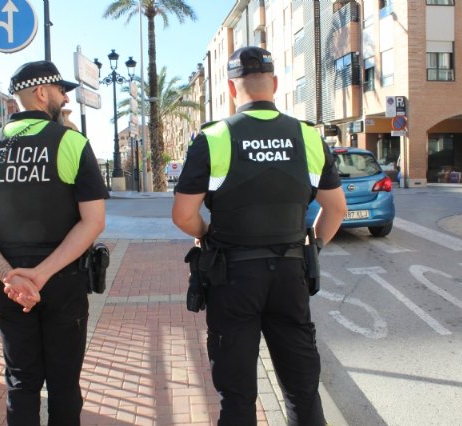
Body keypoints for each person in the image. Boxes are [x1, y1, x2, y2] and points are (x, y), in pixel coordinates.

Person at [172, 46, 347, 425]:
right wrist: (311, 247)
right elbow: (336, 210)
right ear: (276, 85)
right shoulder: (307, 136)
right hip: (290, 274)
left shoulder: (214, 137)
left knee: (237, 397)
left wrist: (207, 236)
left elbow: (184, 216)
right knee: (302, 390)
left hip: (232, 278)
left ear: (233, 89)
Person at [0, 60, 109, 425]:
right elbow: (94, 222)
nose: (63, 98)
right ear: (42, 92)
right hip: (64, 281)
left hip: (8, 287)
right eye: (61, 91)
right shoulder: (71, 143)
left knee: (21, 382)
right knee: (63, 384)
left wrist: (11, 276)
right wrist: (41, 274)